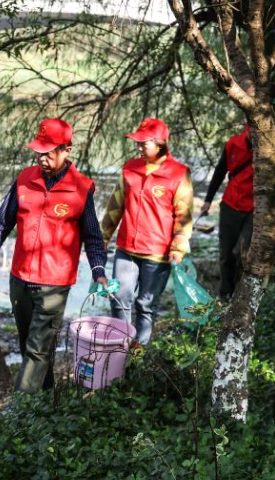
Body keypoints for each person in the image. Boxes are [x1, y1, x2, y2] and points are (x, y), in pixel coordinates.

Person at [0, 118, 108, 393]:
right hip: (19, 279)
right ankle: (45, 402)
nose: (41, 157)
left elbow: (93, 237)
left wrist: (98, 271)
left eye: (49, 151)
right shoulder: (24, 180)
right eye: (38, 151)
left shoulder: (82, 188)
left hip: (54, 284)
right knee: (29, 347)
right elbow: (0, 223)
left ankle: (18, 412)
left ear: (67, 150)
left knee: (37, 350)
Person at [101, 118, 193, 346]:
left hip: (157, 253)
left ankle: (138, 352)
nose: (138, 147)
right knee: (119, 298)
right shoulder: (130, 168)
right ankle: (120, 346)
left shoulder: (179, 174)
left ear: (160, 143)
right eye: (138, 143)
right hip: (126, 249)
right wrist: (103, 237)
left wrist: (178, 248)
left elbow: (184, 214)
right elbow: (115, 205)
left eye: (144, 143)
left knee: (146, 304)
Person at [200, 123, 254, 299]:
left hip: (253, 209)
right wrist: (208, 200)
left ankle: (241, 293)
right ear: (248, 130)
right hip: (230, 205)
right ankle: (225, 295)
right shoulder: (232, 145)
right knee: (225, 255)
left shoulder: (268, 150)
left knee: (242, 251)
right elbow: (220, 171)